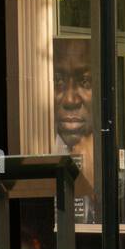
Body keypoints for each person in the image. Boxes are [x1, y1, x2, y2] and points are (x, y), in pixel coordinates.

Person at [53, 37, 96, 222]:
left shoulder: (106, 153)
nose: (71, 100)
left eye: (85, 81)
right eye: (58, 80)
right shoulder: (44, 147)